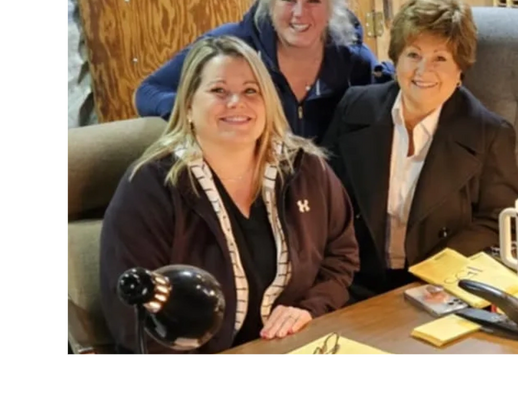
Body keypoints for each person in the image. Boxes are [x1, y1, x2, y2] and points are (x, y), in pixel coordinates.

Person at [100, 35, 359, 357]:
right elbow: (132, 313)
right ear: (189, 106)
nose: (236, 102)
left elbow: (342, 254)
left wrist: (310, 308)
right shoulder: (150, 186)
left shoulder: (305, 167)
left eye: (251, 91)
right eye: (218, 91)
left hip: (295, 347)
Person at [322, 0, 518, 301]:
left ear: (460, 69)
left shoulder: (488, 133)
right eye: (413, 54)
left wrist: (437, 269)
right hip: (354, 284)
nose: (422, 71)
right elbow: (324, 198)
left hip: (436, 288)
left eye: (440, 58)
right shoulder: (354, 108)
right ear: (397, 58)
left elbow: (501, 220)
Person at [134, 0, 392, 145]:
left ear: (332, 8)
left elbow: (385, 94)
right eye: (288, 0)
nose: (299, 14)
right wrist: (200, 114)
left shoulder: (349, 56)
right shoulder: (229, 46)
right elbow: (148, 91)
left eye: (313, 1)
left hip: (320, 190)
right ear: (269, 2)